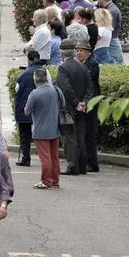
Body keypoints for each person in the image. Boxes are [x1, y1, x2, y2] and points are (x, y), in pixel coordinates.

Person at [55, 39, 91, 176]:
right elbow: (90, 87)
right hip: (82, 107)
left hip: (69, 108)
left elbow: (65, 89)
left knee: (69, 138)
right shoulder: (83, 66)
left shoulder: (63, 68)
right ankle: (82, 165)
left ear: (62, 52)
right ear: (74, 51)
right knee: (81, 136)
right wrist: (84, 102)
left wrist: (76, 103)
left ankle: (72, 165)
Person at [24, 68, 63, 189]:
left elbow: (27, 111)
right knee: (54, 156)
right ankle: (55, 180)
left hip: (40, 130)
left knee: (45, 157)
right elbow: (64, 104)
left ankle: (46, 181)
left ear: (35, 79)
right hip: (55, 128)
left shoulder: (35, 93)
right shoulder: (56, 90)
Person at [13, 50, 43, 166]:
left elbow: (17, 90)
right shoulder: (45, 72)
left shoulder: (23, 74)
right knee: (41, 134)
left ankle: (26, 158)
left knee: (24, 134)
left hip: (24, 108)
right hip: (40, 109)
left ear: (29, 60)